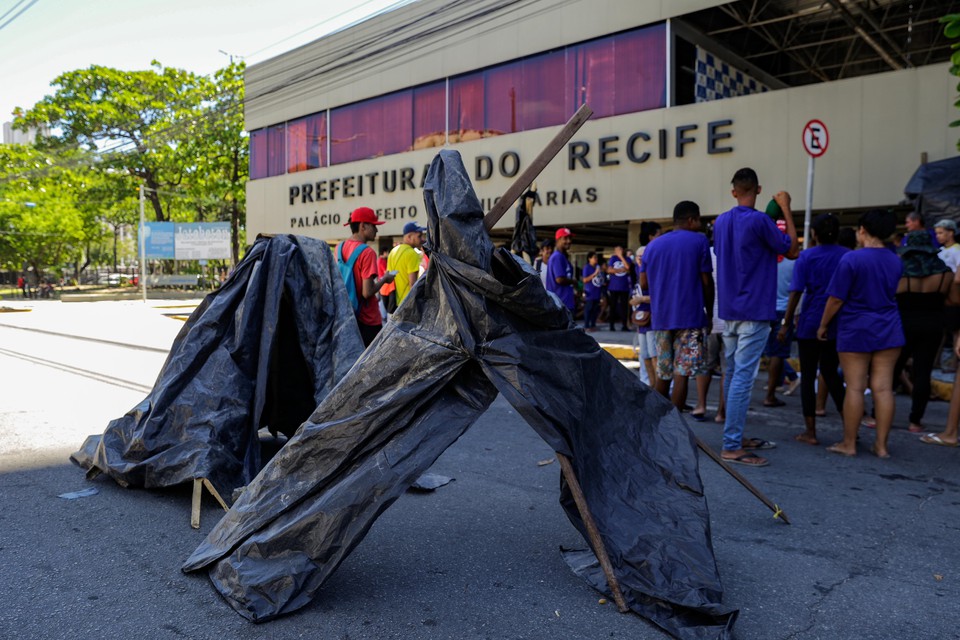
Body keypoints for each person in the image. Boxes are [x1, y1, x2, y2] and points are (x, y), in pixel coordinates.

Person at [714, 168, 798, 467]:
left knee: (734, 373)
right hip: (754, 310)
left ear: (734, 190)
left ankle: (733, 436)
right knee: (743, 379)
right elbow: (791, 250)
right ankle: (732, 444)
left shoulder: (721, 221)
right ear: (758, 189)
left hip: (730, 310)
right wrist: (786, 207)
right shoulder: (761, 221)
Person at [819, 209, 904, 459]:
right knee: (883, 388)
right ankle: (882, 446)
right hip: (889, 326)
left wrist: (823, 325)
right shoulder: (895, 260)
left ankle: (849, 443)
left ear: (863, 231)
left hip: (856, 327)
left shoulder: (851, 260)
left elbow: (835, 299)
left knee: (855, 388)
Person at [779, 213, 849, 445]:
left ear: (814, 234)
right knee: (832, 374)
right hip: (838, 323)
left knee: (808, 376)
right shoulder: (848, 256)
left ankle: (810, 431)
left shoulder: (806, 257)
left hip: (810, 322)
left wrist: (786, 322)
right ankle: (850, 427)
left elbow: (796, 292)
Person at [639, 201, 714, 410]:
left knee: (663, 373)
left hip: (661, 317)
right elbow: (707, 282)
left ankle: (654, 421)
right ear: (691, 220)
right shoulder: (699, 241)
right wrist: (708, 314)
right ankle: (676, 425)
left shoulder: (653, 246)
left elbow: (643, 283)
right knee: (682, 373)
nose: (700, 224)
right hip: (690, 318)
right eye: (698, 220)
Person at [891, 230, 951, 433]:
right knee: (923, 372)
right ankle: (915, 421)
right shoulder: (944, 272)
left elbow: (890, 297)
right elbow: (951, 299)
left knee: (893, 369)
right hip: (933, 324)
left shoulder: (899, 271)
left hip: (903, 324)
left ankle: (878, 414)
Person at [337, 207, 395, 347]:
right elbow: (367, 292)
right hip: (367, 319)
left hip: (348, 316)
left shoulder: (340, 247)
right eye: (374, 226)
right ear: (363, 226)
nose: (377, 230)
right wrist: (385, 280)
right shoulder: (367, 252)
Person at [387, 221, 425, 307]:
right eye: (419, 236)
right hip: (408, 305)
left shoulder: (393, 251)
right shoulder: (412, 253)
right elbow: (413, 285)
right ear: (409, 237)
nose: (422, 239)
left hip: (395, 304)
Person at [546, 228, 575, 313]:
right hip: (560, 304)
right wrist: (574, 282)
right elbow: (560, 279)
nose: (569, 241)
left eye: (570, 238)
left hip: (563, 303)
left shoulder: (562, 256)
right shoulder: (557, 256)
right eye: (565, 238)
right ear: (558, 240)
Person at [606, 245, 631, 331]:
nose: (619, 251)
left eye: (620, 249)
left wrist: (621, 257)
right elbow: (609, 270)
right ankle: (611, 325)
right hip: (613, 287)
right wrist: (620, 270)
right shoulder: (613, 258)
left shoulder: (627, 259)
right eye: (617, 250)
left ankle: (624, 325)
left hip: (624, 287)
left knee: (624, 307)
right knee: (613, 306)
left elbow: (628, 268)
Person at [581, 252, 603, 331]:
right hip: (590, 292)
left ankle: (593, 325)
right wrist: (594, 274)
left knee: (595, 310)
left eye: (596, 257)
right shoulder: (587, 267)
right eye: (594, 257)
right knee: (588, 309)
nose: (596, 259)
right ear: (589, 259)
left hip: (597, 292)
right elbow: (585, 280)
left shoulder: (597, 267)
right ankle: (586, 325)